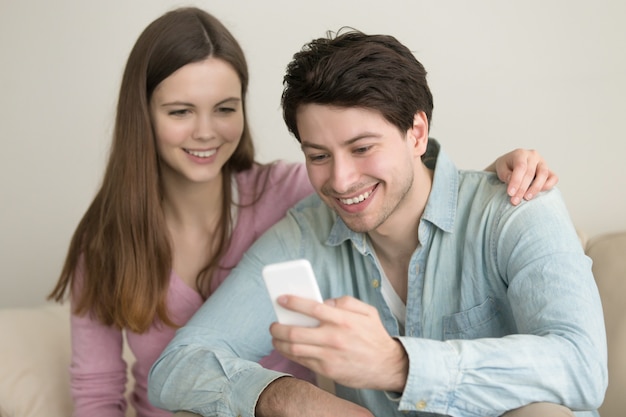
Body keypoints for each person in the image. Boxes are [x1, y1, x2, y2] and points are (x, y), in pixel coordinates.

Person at [46, 7, 558, 417]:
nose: (206, 131)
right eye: (180, 112)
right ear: (143, 114)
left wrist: (489, 180)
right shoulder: (107, 240)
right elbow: (99, 391)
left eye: (225, 108)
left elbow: (390, 183)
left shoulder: (295, 192)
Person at [147, 29, 608, 417]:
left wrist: (399, 365)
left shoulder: (516, 206)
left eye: (363, 147)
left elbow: (582, 368)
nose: (341, 180)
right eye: (319, 156)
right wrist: (286, 396)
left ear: (417, 133)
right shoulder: (305, 232)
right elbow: (178, 364)